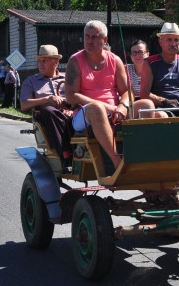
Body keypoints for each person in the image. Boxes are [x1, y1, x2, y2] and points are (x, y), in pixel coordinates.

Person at [66, 20, 155, 172]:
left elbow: (128, 91)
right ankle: (117, 162)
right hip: (84, 114)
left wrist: (123, 106)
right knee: (97, 108)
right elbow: (71, 96)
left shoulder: (115, 60)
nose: (89, 41)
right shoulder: (75, 60)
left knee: (147, 105)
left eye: (94, 37)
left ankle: (143, 156)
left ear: (104, 40)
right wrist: (109, 107)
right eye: (87, 36)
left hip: (114, 110)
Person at [20, 45, 74, 170]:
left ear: (56, 61)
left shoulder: (68, 78)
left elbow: (78, 96)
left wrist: (72, 110)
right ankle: (64, 155)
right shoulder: (31, 81)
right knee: (49, 111)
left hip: (68, 112)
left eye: (44, 60)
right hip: (46, 117)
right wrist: (47, 99)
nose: (40, 64)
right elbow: (24, 105)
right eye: (39, 61)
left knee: (88, 112)